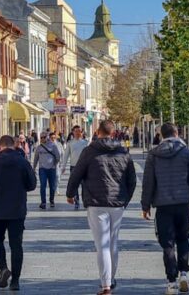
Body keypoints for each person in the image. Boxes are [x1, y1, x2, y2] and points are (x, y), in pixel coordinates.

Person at [66, 120, 137, 295]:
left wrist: (70, 193)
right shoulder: (123, 152)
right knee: (113, 242)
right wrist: (124, 200)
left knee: (102, 244)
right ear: (113, 133)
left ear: (98, 132)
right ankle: (111, 279)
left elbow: (77, 173)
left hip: (96, 202)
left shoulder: (89, 151)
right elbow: (132, 180)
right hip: (117, 203)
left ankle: (105, 285)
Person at [141, 123, 189, 294]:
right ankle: (184, 273)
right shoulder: (187, 153)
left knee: (167, 244)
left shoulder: (153, 155)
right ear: (176, 133)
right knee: (183, 239)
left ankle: (171, 282)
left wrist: (145, 206)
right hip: (183, 204)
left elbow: (148, 183)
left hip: (163, 206)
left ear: (161, 135)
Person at [0, 135, 37, 291]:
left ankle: (3, 268)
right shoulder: (22, 161)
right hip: (17, 210)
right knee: (16, 245)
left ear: (0, 147)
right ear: (14, 145)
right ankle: (15, 281)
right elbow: (32, 184)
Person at [61, 125, 89, 209]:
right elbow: (66, 156)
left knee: (85, 185)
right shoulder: (70, 143)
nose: (77, 133)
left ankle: (85, 201)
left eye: (79, 131)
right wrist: (63, 167)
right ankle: (77, 201)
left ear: (82, 132)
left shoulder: (85, 143)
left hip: (84, 167)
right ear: (73, 132)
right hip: (74, 167)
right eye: (76, 131)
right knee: (75, 185)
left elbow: (89, 155)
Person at [33, 132, 60, 209]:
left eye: (44, 137)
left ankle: (51, 200)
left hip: (51, 169)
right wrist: (33, 168)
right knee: (42, 186)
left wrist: (54, 165)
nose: (42, 139)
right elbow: (36, 158)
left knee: (52, 186)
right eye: (41, 137)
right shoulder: (39, 147)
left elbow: (58, 157)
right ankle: (43, 202)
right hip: (42, 169)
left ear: (47, 137)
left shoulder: (53, 146)